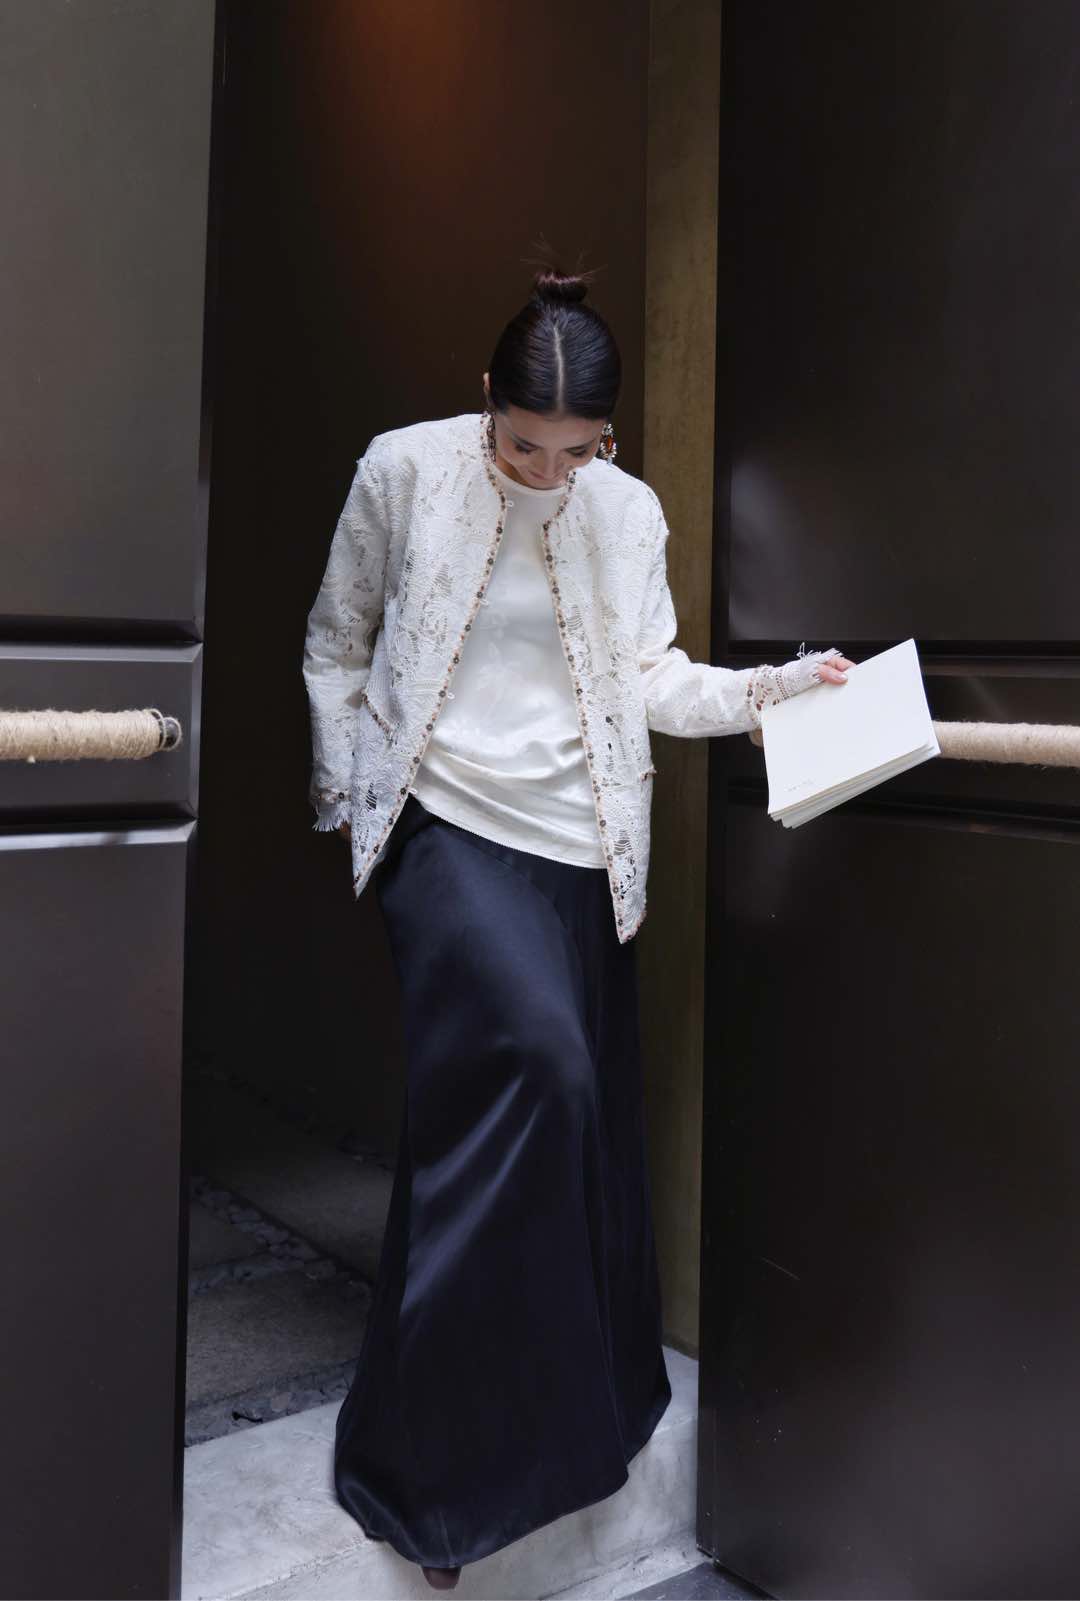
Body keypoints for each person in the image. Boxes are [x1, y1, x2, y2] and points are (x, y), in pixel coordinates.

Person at [302, 266, 854, 1591]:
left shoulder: (628, 510)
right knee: (540, 1073)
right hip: (443, 828)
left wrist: (778, 691)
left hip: (582, 849)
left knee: (546, 1126)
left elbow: (652, 677)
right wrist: (356, 800)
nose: (549, 474)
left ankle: (563, 1431)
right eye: (523, 448)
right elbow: (337, 640)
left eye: (578, 450)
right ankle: (429, 1484)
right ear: (484, 403)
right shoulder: (402, 470)